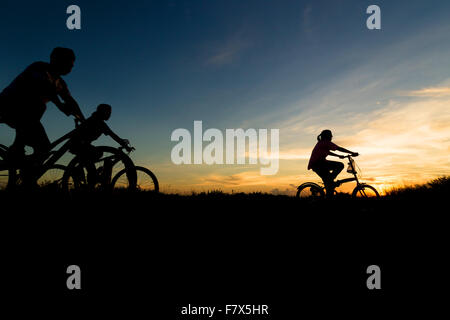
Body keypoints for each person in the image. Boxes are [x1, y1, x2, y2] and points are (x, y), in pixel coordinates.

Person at [0, 47, 85, 166]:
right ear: (56, 60)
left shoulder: (60, 83)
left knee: (44, 148)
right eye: (69, 63)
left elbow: (70, 100)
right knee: (39, 105)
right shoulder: (39, 67)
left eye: (72, 64)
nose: (71, 67)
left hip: (27, 117)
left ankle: (27, 176)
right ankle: (17, 147)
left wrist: (83, 119)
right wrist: (61, 106)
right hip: (8, 106)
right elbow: (44, 87)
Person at [69, 104, 133, 187]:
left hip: (79, 144)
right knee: (96, 154)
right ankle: (80, 172)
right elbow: (112, 135)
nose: (110, 115)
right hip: (78, 144)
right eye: (109, 112)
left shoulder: (95, 119)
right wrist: (125, 145)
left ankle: (83, 172)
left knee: (93, 156)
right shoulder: (98, 122)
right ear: (103, 112)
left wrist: (123, 143)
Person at [307, 129, 358, 195]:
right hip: (318, 164)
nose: (331, 137)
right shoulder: (325, 142)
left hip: (318, 164)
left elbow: (328, 152)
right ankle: (330, 181)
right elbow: (339, 148)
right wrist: (352, 152)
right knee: (340, 165)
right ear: (327, 136)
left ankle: (329, 186)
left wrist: (338, 155)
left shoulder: (322, 143)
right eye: (330, 136)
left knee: (329, 186)